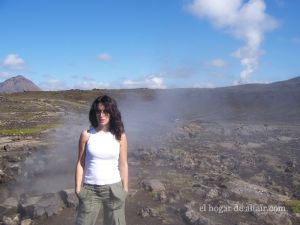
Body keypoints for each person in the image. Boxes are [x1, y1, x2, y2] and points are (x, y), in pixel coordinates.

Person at [75, 95, 128, 225]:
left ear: (112, 113)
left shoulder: (120, 136)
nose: (102, 115)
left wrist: (125, 189)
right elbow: (80, 163)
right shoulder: (86, 135)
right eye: (98, 111)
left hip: (114, 189)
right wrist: (77, 188)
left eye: (105, 111)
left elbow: (123, 164)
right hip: (90, 190)